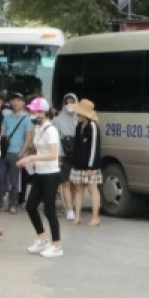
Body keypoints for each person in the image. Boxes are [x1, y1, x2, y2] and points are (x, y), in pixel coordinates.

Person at [19, 98, 63, 258]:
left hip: (51, 174)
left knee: (49, 209)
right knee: (30, 206)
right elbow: (37, 150)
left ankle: (57, 244)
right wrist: (29, 158)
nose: (32, 114)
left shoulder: (51, 130)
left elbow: (53, 154)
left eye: (35, 111)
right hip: (39, 173)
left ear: (43, 112)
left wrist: (31, 159)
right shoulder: (38, 128)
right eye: (31, 111)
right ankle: (42, 238)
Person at [69, 99, 102, 227]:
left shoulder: (92, 126)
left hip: (89, 165)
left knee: (92, 189)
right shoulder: (79, 125)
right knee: (78, 189)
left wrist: (91, 166)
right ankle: (77, 216)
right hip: (78, 164)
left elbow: (94, 147)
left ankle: (95, 217)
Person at [0, 93, 32, 214]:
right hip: (4, 152)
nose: (16, 103)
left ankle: (13, 204)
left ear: (23, 103)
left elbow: (28, 137)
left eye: (19, 100)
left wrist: (22, 152)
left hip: (16, 153)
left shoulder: (26, 119)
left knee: (14, 180)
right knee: (0, 178)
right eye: (14, 100)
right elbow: (2, 133)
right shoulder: (7, 117)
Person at [53, 93, 80, 221]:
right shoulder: (57, 120)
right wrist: (57, 155)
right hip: (63, 154)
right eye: (67, 102)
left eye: (72, 102)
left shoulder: (79, 119)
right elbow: (55, 139)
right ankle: (69, 208)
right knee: (66, 183)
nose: (69, 105)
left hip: (76, 154)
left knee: (75, 183)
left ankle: (70, 204)